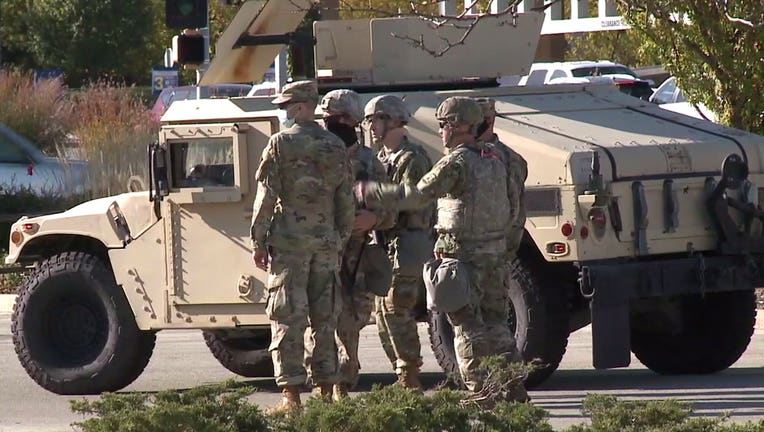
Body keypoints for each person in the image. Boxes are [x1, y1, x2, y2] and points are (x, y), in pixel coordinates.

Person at [358, 96, 529, 401]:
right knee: (497, 326)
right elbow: (514, 210)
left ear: (458, 126)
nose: (440, 132)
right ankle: (514, 389)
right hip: (494, 256)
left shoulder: (456, 162)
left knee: (466, 328)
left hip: (462, 259)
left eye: (443, 125)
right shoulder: (495, 158)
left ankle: (481, 394)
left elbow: (416, 195)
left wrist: (372, 191)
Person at [250, 80, 355, 413]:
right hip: (325, 244)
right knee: (324, 319)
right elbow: (345, 200)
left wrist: (258, 240)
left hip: (290, 244)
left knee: (287, 318)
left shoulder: (280, 144)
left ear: (298, 107)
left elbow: (266, 197)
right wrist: (339, 240)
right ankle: (325, 391)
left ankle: (291, 397)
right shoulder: (335, 145)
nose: (283, 112)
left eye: (285, 106)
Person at [304, 89, 395, 401]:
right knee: (317, 319)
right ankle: (321, 384)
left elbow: (390, 208)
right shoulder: (313, 153)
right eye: (328, 119)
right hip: (318, 250)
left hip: (354, 256)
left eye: (338, 119)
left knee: (350, 323)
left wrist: (373, 218)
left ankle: (343, 382)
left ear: (353, 121)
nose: (331, 124)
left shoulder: (369, 162)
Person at [363, 94, 435, 390]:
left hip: (408, 242)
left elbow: (408, 200)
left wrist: (370, 197)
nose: (369, 127)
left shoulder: (412, 158)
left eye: (373, 120)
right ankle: (402, 372)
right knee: (382, 312)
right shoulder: (382, 158)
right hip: (387, 244)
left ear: (391, 120)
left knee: (397, 307)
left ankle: (410, 375)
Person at [474, 97, 528, 260]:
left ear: (489, 120)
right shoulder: (467, 154)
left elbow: (515, 212)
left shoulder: (507, 159)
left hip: (488, 252)